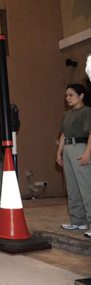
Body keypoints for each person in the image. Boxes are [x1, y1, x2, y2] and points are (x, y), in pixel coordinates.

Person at [56, 84, 91, 238]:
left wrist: (87, 153)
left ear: (81, 95)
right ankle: (77, 220)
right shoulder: (66, 115)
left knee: (86, 187)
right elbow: (63, 134)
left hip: (80, 148)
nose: (67, 98)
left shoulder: (87, 111)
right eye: (66, 95)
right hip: (68, 149)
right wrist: (59, 152)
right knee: (72, 187)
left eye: (70, 95)